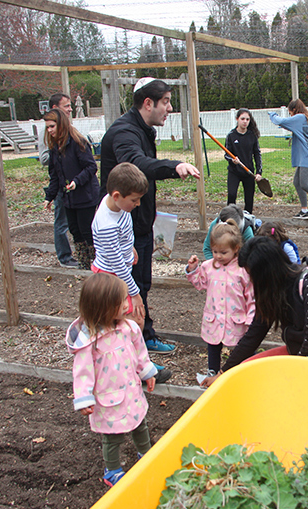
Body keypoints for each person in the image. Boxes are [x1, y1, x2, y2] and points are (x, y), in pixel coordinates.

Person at [99, 77, 200, 354]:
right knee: (125, 289)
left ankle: (143, 335)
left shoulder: (143, 129)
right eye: (165, 102)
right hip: (123, 227)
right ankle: (130, 346)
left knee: (141, 284)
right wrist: (174, 165)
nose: (169, 108)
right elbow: (136, 164)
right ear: (148, 103)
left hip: (138, 223)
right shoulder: (125, 133)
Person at [200, 237, 308, 387]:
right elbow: (254, 334)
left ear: (266, 272)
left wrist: (294, 379)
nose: (251, 281)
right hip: (300, 356)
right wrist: (223, 373)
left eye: (253, 276)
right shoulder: (272, 290)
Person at [66, 273, 158, 488]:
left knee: (140, 423)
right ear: (104, 307)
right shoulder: (89, 341)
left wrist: (147, 372)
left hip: (131, 390)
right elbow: (82, 373)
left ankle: (146, 453)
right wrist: (84, 398)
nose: (127, 304)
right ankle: (112, 469)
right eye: (121, 301)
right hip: (108, 396)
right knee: (112, 435)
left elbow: (140, 353)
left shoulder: (129, 328)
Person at [90, 163, 174, 380]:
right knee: (132, 320)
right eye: (134, 200)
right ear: (117, 195)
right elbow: (116, 264)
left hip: (120, 272)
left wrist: (130, 249)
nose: (137, 204)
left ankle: (136, 363)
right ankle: (137, 369)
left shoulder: (117, 206)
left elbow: (123, 236)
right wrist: (134, 294)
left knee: (133, 321)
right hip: (112, 279)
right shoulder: (106, 224)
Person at [186, 220, 255, 376]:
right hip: (215, 318)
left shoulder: (242, 270)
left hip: (236, 320)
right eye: (215, 251)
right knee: (213, 346)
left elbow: (251, 297)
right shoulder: (208, 267)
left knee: (241, 347)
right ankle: (213, 373)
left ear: (236, 249)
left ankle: (244, 373)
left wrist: (251, 319)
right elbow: (200, 283)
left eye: (223, 253)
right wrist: (193, 269)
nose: (218, 256)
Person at [42, 107, 99, 270]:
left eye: (52, 126)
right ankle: (84, 264)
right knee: (75, 231)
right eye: (47, 127)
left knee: (87, 230)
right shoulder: (55, 148)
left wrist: (76, 181)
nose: (49, 130)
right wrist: (49, 196)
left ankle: (97, 266)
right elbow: (54, 175)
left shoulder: (77, 143)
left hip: (85, 195)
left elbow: (91, 167)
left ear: (61, 124)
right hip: (68, 198)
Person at [269, 99, 308, 220]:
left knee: (304, 183)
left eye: (290, 113)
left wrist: (272, 114)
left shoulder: (299, 117)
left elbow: (280, 121)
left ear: (294, 110)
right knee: (297, 182)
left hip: (307, 155)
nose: (290, 115)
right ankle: (304, 210)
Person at [39, 93, 77, 268]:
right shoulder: (49, 131)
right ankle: (64, 257)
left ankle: (79, 254)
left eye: (70, 106)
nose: (70, 109)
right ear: (55, 109)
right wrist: (59, 154)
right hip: (62, 184)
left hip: (74, 185)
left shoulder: (69, 128)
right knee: (61, 222)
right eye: (66, 106)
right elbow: (44, 158)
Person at [225, 108, 264, 214]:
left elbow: (257, 154)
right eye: (242, 119)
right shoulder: (231, 136)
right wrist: (233, 159)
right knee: (232, 195)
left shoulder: (252, 136)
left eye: (247, 119)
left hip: (248, 172)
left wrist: (258, 172)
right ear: (237, 119)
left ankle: (248, 220)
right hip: (234, 172)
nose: (245, 121)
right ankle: (230, 218)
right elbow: (227, 154)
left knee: (249, 198)